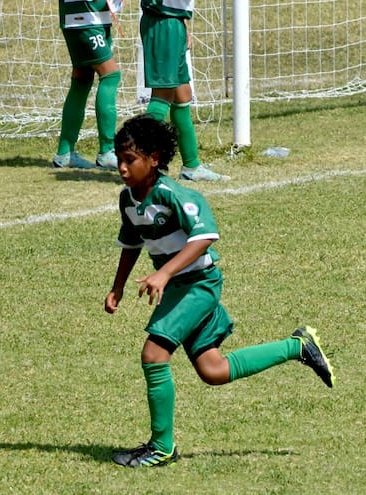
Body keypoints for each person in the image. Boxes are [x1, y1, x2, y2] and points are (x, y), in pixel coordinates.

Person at [104, 115, 333, 468]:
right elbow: (131, 242)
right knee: (214, 370)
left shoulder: (174, 195)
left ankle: (162, 447)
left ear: (154, 157)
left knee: (153, 355)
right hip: (180, 286)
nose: (121, 167)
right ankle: (298, 346)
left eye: (129, 160)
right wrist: (117, 287)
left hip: (198, 285)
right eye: (118, 159)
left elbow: (205, 236)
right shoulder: (128, 200)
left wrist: (164, 273)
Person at [139, 0, 228, 181]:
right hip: (163, 22)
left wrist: (184, 24)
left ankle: (191, 166)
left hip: (173, 19)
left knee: (182, 94)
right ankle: (136, 162)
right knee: (163, 94)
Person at [52, 0, 122, 171]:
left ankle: (65, 153)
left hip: (82, 17)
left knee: (82, 79)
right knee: (110, 75)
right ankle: (106, 151)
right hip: (86, 19)